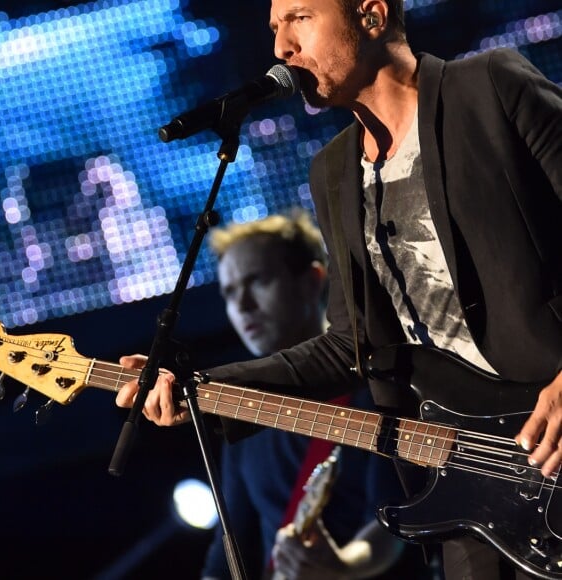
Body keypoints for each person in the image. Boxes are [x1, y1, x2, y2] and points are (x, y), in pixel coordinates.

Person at [116, 1, 562, 578]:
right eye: (274, 29)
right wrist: (199, 391)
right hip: (471, 484)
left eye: (299, 18)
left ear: (372, 16)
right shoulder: (333, 172)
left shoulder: (489, 88)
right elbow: (347, 347)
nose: (281, 48)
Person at [198, 212, 408, 579]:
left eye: (258, 281)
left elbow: (397, 523)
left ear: (313, 281)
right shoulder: (243, 408)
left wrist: (341, 565)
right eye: (230, 293)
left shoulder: (374, 387)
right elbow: (230, 549)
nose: (242, 305)